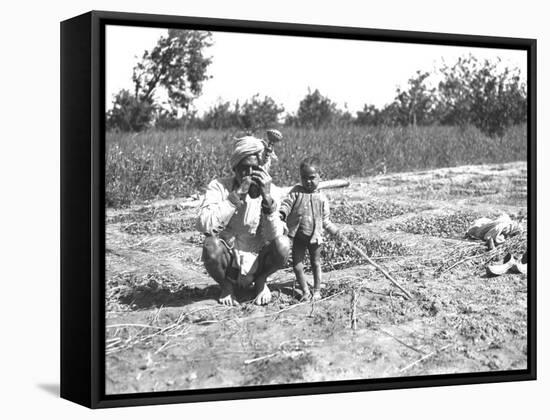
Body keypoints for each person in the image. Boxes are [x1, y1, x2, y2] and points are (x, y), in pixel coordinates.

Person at [196, 135, 290, 306]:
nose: (249, 174)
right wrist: (236, 196)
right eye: (244, 169)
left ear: (261, 170)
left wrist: (267, 200)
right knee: (210, 245)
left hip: (257, 258)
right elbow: (204, 225)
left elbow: (274, 237)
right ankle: (226, 286)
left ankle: (261, 280)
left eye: (254, 168)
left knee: (283, 244)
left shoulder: (271, 190)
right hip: (229, 260)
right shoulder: (219, 187)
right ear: (235, 169)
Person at [279, 157, 340, 301]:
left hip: (315, 237)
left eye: (312, 178)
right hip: (299, 236)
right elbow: (287, 204)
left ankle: (317, 290)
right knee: (297, 264)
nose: (308, 182)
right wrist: (282, 213)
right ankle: (305, 291)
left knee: (316, 262)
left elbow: (325, 221)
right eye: (304, 178)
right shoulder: (296, 192)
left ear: (320, 177)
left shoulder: (322, 198)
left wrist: (335, 231)